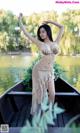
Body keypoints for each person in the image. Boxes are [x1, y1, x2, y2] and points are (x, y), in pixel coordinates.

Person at [18, 13, 64, 117]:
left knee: (52, 94)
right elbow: (26, 33)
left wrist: (50, 22)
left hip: (49, 72)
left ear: (48, 31)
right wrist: (20, 19)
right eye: (40, 32)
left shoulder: (56, 42)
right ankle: (42, 115)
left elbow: (62, 27)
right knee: (41, 95)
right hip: (38, 71)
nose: (41, 34)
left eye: (43, 31)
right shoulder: (40, 43)